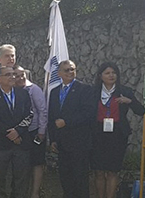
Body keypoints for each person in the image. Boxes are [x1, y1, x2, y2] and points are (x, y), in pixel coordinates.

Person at [92, 63, 145, 198]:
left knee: (112, 171)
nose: (111, 75)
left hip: (117, 135)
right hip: (97, 134)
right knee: (98, 171)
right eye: (107, 73)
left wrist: (129, 101)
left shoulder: (124, 91)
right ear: (100, 76)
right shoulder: (93, 92)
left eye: (114, 73)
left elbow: (140, 111)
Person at [47, 60, 94, 198]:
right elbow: (52, 117)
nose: (70, 72)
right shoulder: (55, 92)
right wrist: (53, 139)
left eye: (72, 69)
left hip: (79, 143)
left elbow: (88, 113)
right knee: (65, 179)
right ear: (59, 73)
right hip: (62, 144)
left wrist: (67, 122)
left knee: (80, 180)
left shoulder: (84, 89)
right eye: (66, 70)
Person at [0, 66, 33, 198]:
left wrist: (18, 131)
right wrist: (10, 134)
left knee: (21, 178)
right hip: (0, 144)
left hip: (21, 143)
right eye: (8, 75)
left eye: (13, 74)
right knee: (0, 178)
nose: (12, 77)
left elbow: (29, 115)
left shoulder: (23, 93)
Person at [13, 66, 49, 198]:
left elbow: (42, 111)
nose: (21, 78)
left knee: (37, 163)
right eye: (17, 75)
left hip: (35, 132)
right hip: (20, 133)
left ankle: (35, 193)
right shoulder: (12, 91)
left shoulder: (34, 89)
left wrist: (41, 131)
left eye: (22, 75)